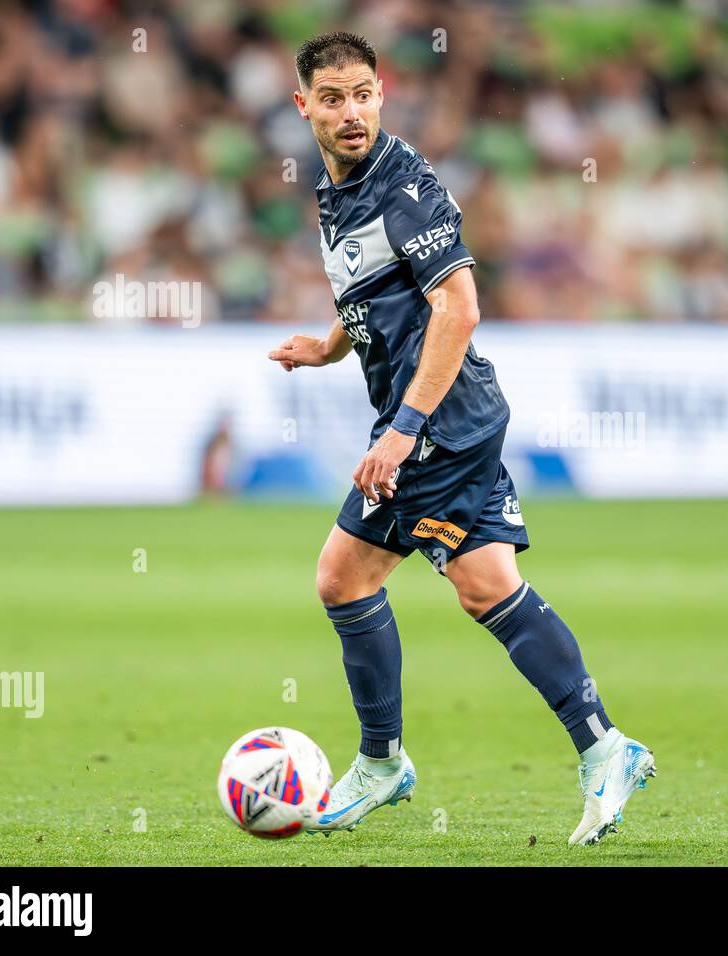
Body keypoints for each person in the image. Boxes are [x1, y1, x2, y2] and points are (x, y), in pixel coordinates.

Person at [269, 31, 655, 845]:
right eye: (333, 97)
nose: (352, 112)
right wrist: (328, 345)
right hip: (441, 417)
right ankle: (603, 746)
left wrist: (403, 433)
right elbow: (375, 293)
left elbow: (460, 308)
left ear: (383, 92)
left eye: (364, 93)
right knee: (475, 585)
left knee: (345, 576)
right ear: (303, 105)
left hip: (438, 422)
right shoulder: (336, 188)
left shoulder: (401, 184)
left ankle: (383, 762)